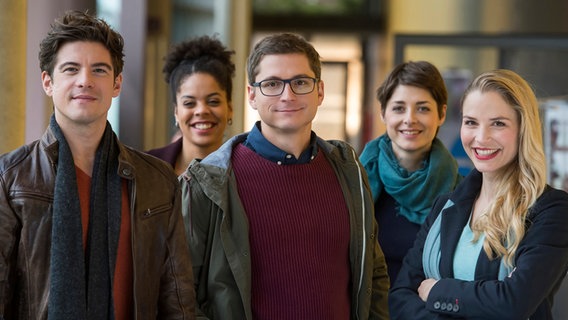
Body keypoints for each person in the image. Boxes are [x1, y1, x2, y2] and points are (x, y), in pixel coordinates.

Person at [0, 10, 196, 319]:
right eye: (71, 69)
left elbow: (178, 299)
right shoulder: (10, 179)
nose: (85, 81)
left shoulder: (157, 180)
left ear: (117, 84)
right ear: (48, 82)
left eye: (99, 70)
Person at [180, 32, 390, 319]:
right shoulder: (207, 183)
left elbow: (374, 274)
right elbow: (181, 293)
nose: (287, 95)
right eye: (272, 84)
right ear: (252, 95)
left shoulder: (349, 171)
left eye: (300, 82)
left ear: (320, 92)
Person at [389, 69, 568, 319]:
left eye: (498, 123)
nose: (481, 138)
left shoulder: (551, 212)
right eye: (471, 122)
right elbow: (400, 296)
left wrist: (438, 290)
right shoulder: (445, 206)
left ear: (523, 129)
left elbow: (513, 303)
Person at [359, 61, 462, 283]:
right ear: (383, 113)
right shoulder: (356, 182)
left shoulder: (462, 193)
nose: (410, 119)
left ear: (441, 114)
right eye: (399, 108)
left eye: (423, 108)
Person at [147, 35, 235, 175]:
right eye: (189, 103)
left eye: (213, 101)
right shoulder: (146, 168)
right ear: (176, 112)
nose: (201, 110)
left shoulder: (248, 173)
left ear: (230, 109)